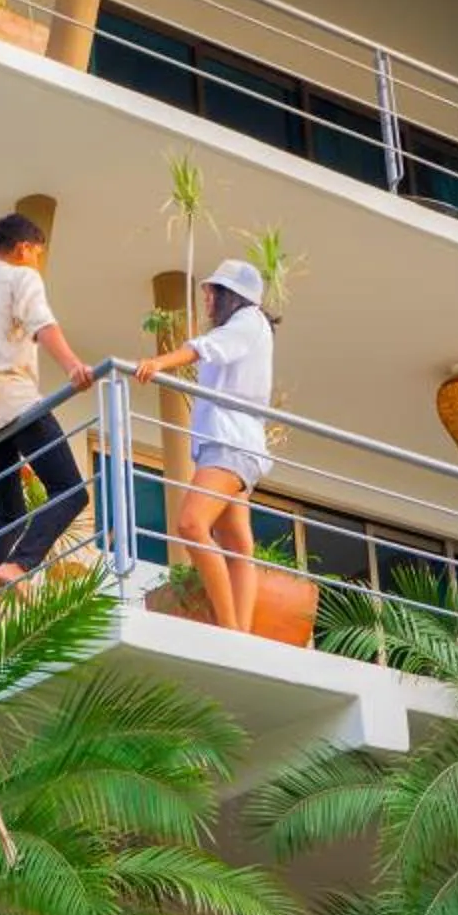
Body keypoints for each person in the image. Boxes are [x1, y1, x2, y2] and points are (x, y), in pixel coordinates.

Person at [0, 212, 94, 644]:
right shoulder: (19, 279)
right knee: (70, 490)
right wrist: (73, 368)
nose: (37, 264)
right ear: (25, 248)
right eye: (38, 255)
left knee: (8, 512)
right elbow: (42, 324)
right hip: (12, 402)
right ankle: (19, 565)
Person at [133, 257, 276, 635]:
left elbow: (205, 348)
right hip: (231, 445)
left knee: (191, 524)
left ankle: (229, 630)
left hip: (229, 444)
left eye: (212, 293)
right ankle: (240, 635)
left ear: (231, 296)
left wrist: (158, 362)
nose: (207, 300)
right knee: (236, 544)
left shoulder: (247, 322)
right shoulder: (250, 327)